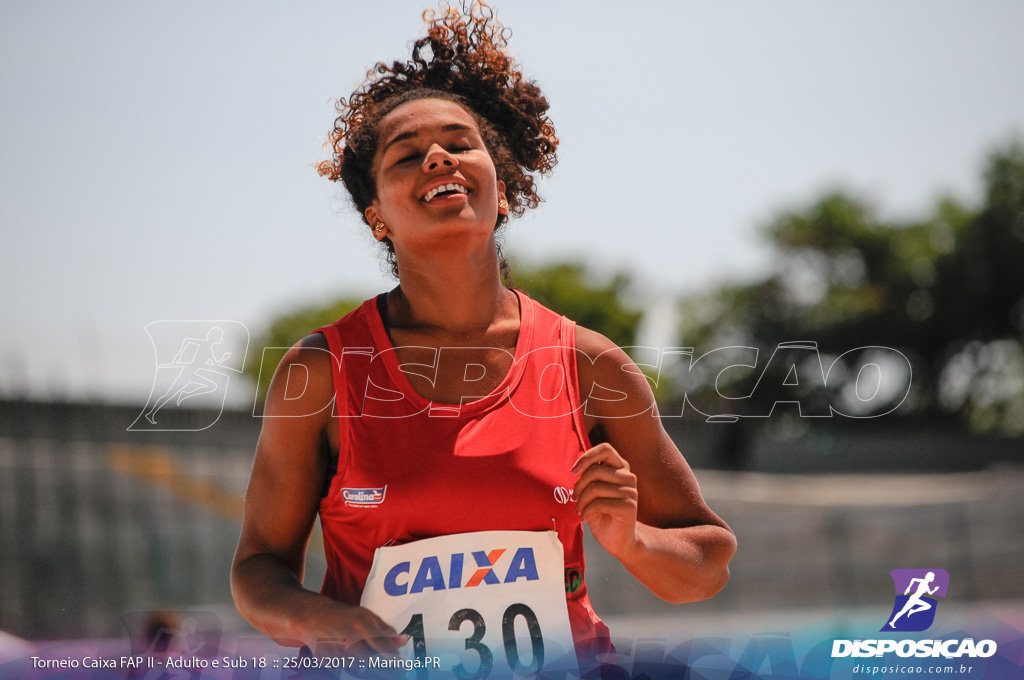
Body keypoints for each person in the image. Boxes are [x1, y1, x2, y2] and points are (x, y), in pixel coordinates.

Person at [231, 3, 736, 676]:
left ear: (501, 188)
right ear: (376, 216)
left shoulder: (588, 364)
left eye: (459, 143)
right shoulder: (321, 371)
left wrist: (632, 538)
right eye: (406, 155)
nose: (438, 155)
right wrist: (312, 616)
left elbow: (705, 565)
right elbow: (259, 564)